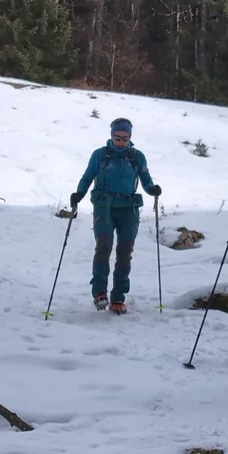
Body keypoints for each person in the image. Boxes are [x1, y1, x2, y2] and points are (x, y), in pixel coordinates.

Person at [69, 118, 161, 314]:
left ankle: (118, 297)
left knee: (125, 251)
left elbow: (145, 179)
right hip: (104, 206)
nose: (120, 142)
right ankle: (99, 294)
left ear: (130, 137)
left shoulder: (137, 157)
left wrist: (152, 189)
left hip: (129, 208)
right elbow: (87, 177)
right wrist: (79, 194)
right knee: (104, 246)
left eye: (124, 139)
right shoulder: (100, 155)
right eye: (117, 138)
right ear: (111, 136)